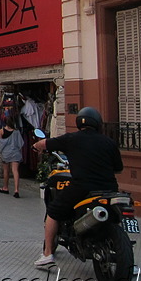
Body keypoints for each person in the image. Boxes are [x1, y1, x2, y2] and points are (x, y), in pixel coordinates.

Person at [31, 106, 123, 268]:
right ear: (97, 123)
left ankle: (47, 255)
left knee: (53, 211)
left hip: (83, 187)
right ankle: (128, 260)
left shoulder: (72, 139)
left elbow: (44, 143)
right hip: (110, 189)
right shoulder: (109, 142)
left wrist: (36, 146)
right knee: (117, 217)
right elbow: (119, 168)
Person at [0, 118, 24, 197]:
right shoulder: (17, 131)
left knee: (6, 170)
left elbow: (0, 144)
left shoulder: (1, 131)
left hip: (6, 154)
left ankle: (5, 187)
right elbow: (20, 143)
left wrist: (0, 152)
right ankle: (16, 190)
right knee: (15, 171)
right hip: (15, 153)